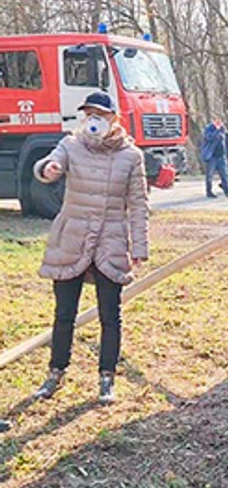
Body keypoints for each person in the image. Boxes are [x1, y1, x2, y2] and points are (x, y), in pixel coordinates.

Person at [32, 91, 150, 404]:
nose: (93, 119)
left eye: (100, 114)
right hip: (72, 237)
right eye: (89, 114)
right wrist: (48, 170)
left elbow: (138, 205)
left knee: (110, 314)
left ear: (114, 118)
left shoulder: (131, 156)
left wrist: (139, 246)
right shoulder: (71, 144)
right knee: (64, 313)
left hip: (110, 241)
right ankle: (56, 372)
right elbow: (48, 163)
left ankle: (106, 377)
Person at [200, 117, 228, 199]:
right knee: (210, 175)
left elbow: (224, 142)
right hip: (212, 156)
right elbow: (210, 138)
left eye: (220, 121)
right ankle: (209, 191)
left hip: (221, 155)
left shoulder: (222, 129)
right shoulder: (209, 129)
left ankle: (227, 191)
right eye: (217, 121)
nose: (219, 122)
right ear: (213, 121)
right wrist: (217, 130)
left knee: (224, 174)